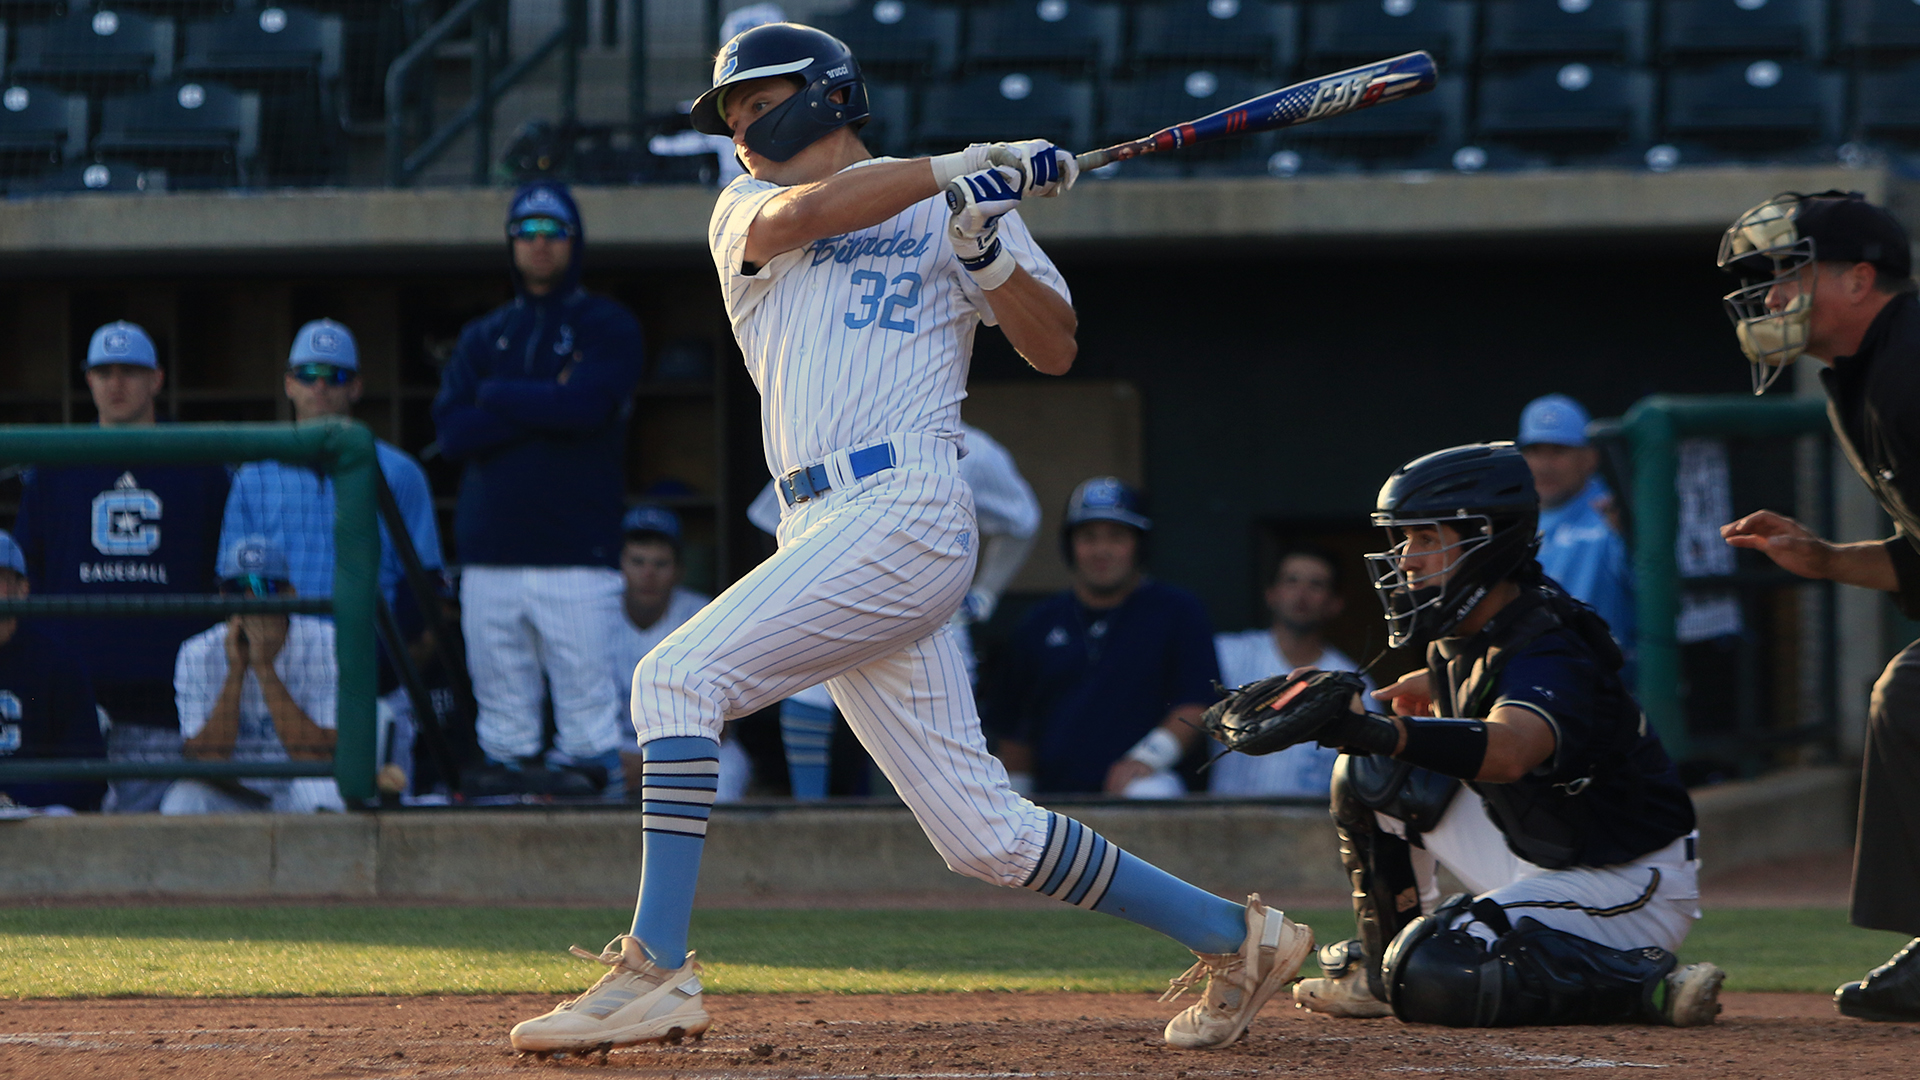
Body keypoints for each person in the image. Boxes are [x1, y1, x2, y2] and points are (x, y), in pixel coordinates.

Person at [507, 23, 1309, 1057]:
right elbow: (815, 212)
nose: (743, 126)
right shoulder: (746, 207)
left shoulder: (952, 208)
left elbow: (1055, 342)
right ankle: (1237, 938)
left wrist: (980, 242)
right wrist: (958, 171)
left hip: (909, 508)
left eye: (759, 102)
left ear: (828, 94)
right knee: (983, 836)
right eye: (734, 114)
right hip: (817, 524)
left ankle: (653, 971)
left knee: (675, 680)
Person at [1282, 443, 1723, 1028]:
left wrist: (1376, 730)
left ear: (1486, 542)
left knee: (1436, 967)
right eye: (1404, 540)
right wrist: (1402, 715)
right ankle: (1378, 975)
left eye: (1426, 539)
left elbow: (1512, 749)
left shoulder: (1548, 643)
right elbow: (1476, 685)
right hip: (1543, 849)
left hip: (1626, 883)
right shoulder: (1466, 631)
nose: (1407, 560)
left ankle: (1643, 981)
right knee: (1370, 774)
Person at [1715, 191, 1920, 1022]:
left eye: (1791, 274)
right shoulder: (1867, 374)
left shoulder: (1909, 371)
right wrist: (1830, 560)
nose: (1771, 298)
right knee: (1907, 694)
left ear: (1860, 278)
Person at [432, 180, 646, 798]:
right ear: (511, 245)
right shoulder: (484, 334)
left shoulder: (606, 323)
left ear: (574, 242)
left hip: (577, 555)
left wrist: (495, 395)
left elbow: (586, 408)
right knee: (503, 733)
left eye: (553, 232)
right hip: (490, 555)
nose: (540, 245)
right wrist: (545, 400)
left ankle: (594, 866)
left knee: (586, 730)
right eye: (526, 233)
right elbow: (452, 432)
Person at [745, 420, 1040, 798]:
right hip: (837, 599)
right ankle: (811, 823)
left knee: (939, 759)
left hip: (931, 611)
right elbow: (775, 521)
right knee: (810, 696)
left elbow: (1022, 521)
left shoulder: (974, 449)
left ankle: (925, 835)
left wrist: (985, 592)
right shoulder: (829, 432)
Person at [11, 321, 231, 813]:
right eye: (103, 371)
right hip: (76, 695)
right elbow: (29, 573)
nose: (116, 383)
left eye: (130, 371)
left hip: (170, 697)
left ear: (157, 379)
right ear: (87, 380)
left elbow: (219, 576)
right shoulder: (52, 466)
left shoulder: (201, 465)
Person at [989, 477, 1220, 799]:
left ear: (1138, 543)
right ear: (1071, 545)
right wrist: (1016, 803)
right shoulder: (1039, 623)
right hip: (1058, 796)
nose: (1101, 550)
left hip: (1147, 784)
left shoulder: (1177, 610)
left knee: (1148, 792)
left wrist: (1145, 759)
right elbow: (1014, 731)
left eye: (1116, 537)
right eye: (1088, 537)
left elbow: (1197, 704)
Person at [221, 319, 444, 610]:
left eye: (335, 376)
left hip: (369, 641)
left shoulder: (402, 472)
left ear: (356, 387)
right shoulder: (252, 476)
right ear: (289, 384)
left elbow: (424, 579)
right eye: (308, 374)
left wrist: (394, 653)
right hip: (283, 643)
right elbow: (233, 578)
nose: (320, 386)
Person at [166, 535, 343, 814]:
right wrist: (236, 670)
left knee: (324, 792)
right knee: (184, 800)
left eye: (263, 587)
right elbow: (206, 758)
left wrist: (263, 667)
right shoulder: (197, 652)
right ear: (224, 597)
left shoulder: (325, 642)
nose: (249, 600)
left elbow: (319, 757)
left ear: (290, 594)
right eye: (237, 588)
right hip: (237, 794)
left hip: (299, 788)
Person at [1209, 544, 1368, 799]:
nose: (1301, 594)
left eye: (1316, 584)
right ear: (1271, 593)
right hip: (1227, 821)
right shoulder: (1226, 654)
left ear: (1336, 603)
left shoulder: (1354, 681)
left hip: (1313, 829)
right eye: (1291, 581)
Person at [606, 505, 741, 800]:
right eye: (638, 561)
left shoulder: (704, 614)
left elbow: (723, 724)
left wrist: (653, 765)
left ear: (679, 570)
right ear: (619, 565)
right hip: (612, 745)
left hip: (688, 743)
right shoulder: (593, 612)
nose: (648, 574)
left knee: (727, 773)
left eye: (661, 563)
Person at [1516, 394, 1634, 650]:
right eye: (1535, 451)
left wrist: (1629, 537)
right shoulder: (1513, 518)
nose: (1545, 465)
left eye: (1559, 451)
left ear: (1590, 457)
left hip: (1608, 680)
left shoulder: (1615, 512)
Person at [0, 531, 106, 812]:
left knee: (61, 814)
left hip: (30, 811)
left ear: (22, 589)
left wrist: (15, 798)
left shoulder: (56, 661)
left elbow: (87, 776)